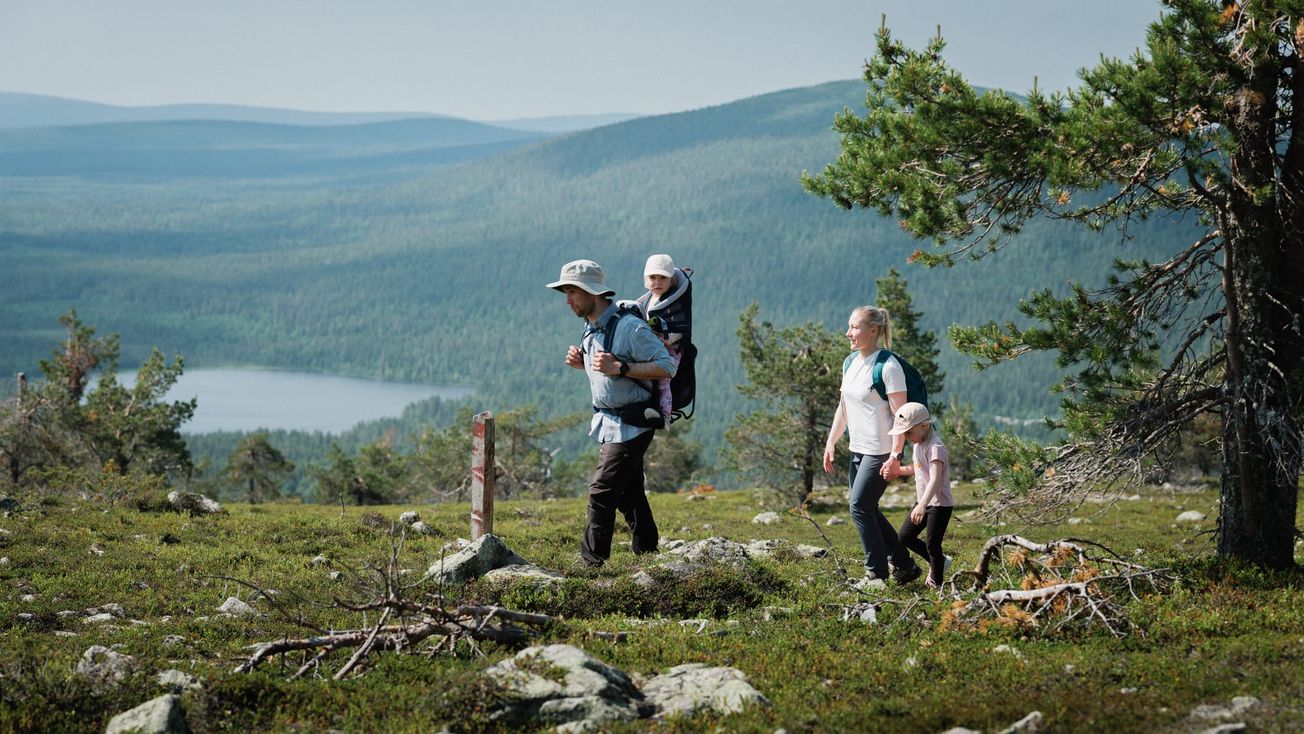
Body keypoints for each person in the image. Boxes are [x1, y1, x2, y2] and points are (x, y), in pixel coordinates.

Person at [548, 259, 676, 567]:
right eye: (565, 292)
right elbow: (605, 372)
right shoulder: (591, 327)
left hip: (633, 422)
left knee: (602, 492)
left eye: (572, 292)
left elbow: (667, 366)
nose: (567, 300)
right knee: (629, 492)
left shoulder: (629, 327)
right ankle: (646, 550)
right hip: (610, 422)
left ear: (592, 292)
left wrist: (622, 367)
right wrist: (584, 364)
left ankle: (592, 564)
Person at [822, 305, 923, 586]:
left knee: (859, 507)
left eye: (855, 327)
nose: (848, 333)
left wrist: (895, 456)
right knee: (869, 509)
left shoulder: (888, 368)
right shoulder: (850, 363)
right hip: (858, 449)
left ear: (874, 330)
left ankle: (875, 573)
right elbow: (843, 408)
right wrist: (832, 441)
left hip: (880, 451)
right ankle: (904, 565)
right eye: (849, 326)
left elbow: (901, 417)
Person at [888, 402, 954, 589]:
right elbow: (917, 468)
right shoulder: (919, 444)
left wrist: (922, 505)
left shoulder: (936, 447)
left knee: (933, 544)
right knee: (904, 536)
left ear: (924, 426)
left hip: (939, 505)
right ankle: (940, 562)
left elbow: (934, 479)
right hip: (924, 502)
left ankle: (937, 583)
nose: (906, 437)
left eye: (908, 432)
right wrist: (898, 471)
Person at [629, 253, 692, 429]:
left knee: (663, 381)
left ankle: (664, 417)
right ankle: (647, 406)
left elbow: (678, 331)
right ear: (645, 279)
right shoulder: (649, 299)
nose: (657, 282)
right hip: (652, 347)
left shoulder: (675, 303)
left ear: (671, 280)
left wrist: (658, 337)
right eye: (652, 277)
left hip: (671, 350)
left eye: (662, 278)